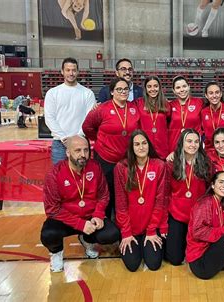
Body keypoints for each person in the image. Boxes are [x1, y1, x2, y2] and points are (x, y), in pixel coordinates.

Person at [40, 135, 120, 273]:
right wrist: (80, 224)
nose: (83, 155)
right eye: (77, 151)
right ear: (67, 152)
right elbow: (52, 209)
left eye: (86, 150)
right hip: (66, 220)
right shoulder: (54, 174)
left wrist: (99, 214)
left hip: (90, 217)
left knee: (111, 234)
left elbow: (103, 195)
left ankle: (87, 240)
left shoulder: (95, 167)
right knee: (49, 234)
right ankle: (56, 253)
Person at [83, 78, 140, 220]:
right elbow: (87, 127)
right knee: (106, 193)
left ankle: (123, 226)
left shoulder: (133, 107)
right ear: (112, 92)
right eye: (119, 89)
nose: (123, 92)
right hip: (105, 159)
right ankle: (105, 225)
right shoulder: (102, 109)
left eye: (125, 89)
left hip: (127, 160)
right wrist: (100, 139)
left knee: (124, 194)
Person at [114, 130, 167, 272]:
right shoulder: (121, 167)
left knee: (154, 264)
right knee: (132, 266)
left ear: (149, 145)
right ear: (131, 148)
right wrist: (125, 232)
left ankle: (145, 244)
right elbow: (120, 203)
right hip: (130, 227)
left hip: (151, 226)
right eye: (136, 144)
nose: (141, 147)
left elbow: (160, 200)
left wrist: (151, 230)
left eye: (144, 143)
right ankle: (138, 245)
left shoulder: (159, 165)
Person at [165, 129, 211, 265]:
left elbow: (209, 192)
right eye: (189, 141)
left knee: (200, 256)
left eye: (196, 141)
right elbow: (165, 192)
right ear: (182, 143)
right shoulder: (171, 163)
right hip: (177, 214)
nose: (193, 145)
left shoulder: (205, 163)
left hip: (198, 216)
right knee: (175, 259)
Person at [44, 57, 96, 164]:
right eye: (68, 70)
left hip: (81, 143)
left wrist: (77, 138)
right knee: (59, 176)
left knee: (81, 176)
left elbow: (89, 119)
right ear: (62, 71)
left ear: (78, 72)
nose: (71, 73)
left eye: (74, 70)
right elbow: (49, 118)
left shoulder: (87, 93)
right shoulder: (53, 93)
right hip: (60, 143)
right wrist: (64, 138)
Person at [136, 76, 171, 160]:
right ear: (145, 89)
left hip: (162, 147)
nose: (153, 89)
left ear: (159, 87)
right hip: (145, 147)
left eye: (155, 86)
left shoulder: (166, 104)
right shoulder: (138, 103)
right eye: (149, 86)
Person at [200, 81, 224, 157]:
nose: (214, 96)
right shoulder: (203, 112)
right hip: (210, 152)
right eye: (211, 93)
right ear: (206, 95)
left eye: (217, 92)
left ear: (221, 94)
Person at [167, 76, 204, 154]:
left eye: (184, 86)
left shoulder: (199, 103)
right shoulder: (169, 105)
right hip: (175, 148)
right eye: (178, 87)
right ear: (173, 91)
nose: (182, 90)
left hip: (194, 147)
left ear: (189, 87)